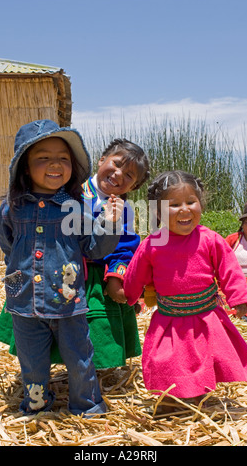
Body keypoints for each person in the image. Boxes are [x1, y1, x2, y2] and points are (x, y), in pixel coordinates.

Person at [0, 119, 124, 416]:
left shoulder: (75, 208)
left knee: (80, 359)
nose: (55, 163)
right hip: (24, 302)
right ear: (25, 167)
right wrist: (17, 276)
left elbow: (94, 247)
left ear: (73, 167)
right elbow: (8, 245)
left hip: (68, 304)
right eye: (43, 157)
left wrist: (111, 224)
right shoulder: (11, 209)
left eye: (63, 158)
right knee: (32, 363)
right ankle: (36, 404)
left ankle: (88, 405)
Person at [123, 170, 247, 410]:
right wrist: (130, 296)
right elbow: (137, 272)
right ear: (158, 211)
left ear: (200, 203)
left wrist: (239, 298)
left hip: (205, 317)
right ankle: (170, 401)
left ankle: (197, 397)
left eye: (190, 202)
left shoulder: (210, 239)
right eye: (174, 204)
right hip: (170, 319)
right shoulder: (155, 242)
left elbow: (229, 269)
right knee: (167, 362)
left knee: (200, 360)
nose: (184, 209)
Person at [82, 138, 150, 369]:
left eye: (130, 176)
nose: (119, 174)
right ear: (102, 160)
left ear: (133, 187)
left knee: (100, 327)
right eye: (117, 164)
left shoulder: (124, 210)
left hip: (98, 277)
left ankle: (97, 371)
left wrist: (116, 276)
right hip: (65, 270)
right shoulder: (69, 192)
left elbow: (125, 246)